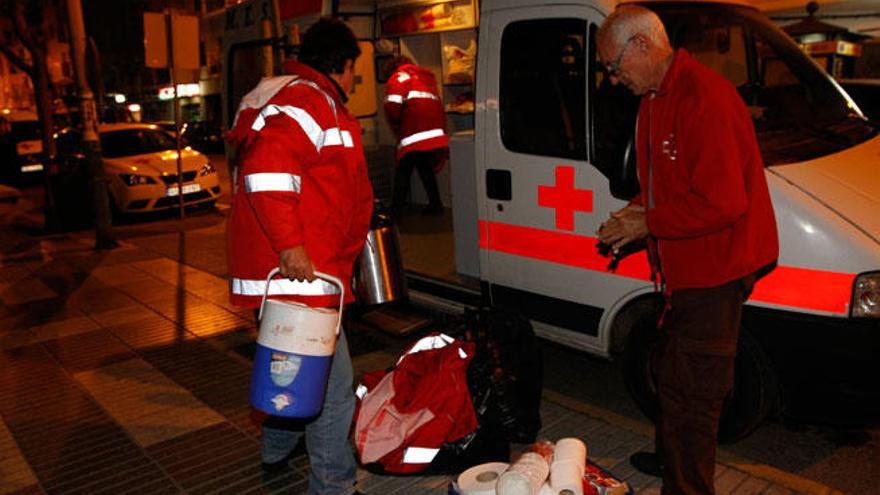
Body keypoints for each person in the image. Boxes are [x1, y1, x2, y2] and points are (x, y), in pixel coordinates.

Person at [595, 6, 778, 495]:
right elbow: (667, 189)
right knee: (675, 385)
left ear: (641, 46)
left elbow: (723, 202)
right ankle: (671, 462)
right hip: (685, 277)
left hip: (713, 277)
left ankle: (686, 485)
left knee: (692, 402)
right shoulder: (656, 98)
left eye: (613, 66)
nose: (613, 80)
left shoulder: (705, 98)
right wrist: (635, 213)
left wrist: (647, 223)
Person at [226, 17, 373, 495]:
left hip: (291, 272)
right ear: (343, 64)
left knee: (291, 368)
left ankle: (275, 448)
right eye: (356, 70)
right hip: (301, 275)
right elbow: (266, 168)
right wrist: (291, 246)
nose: (356, 81)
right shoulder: (312, 101)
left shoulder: (287, 95)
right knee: (332, 390)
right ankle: (332, 484)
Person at [383, 56, 448, 217]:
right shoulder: (424, 78)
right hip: (434, 131)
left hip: (415, 131)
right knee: (424, 167)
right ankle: (436, 204)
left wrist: (397, 124)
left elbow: (392, 106)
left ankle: (396, 211)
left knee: (403, 169)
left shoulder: (398, 77)